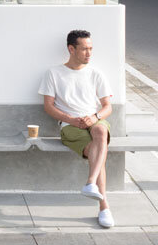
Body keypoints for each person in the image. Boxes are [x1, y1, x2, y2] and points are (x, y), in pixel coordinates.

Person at [38, 29, 116, 228]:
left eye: (91, 49)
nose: (89, 53)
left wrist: (94, 117)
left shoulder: (95, 73)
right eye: (84, 49)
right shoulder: (54, 73)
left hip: (94, 119)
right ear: (71, 49)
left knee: (100, 131)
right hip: (69, 126)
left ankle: (91, 184)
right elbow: (48, 106)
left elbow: (107, 107)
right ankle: (104, 206)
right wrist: (71, 120)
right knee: (97, 153)